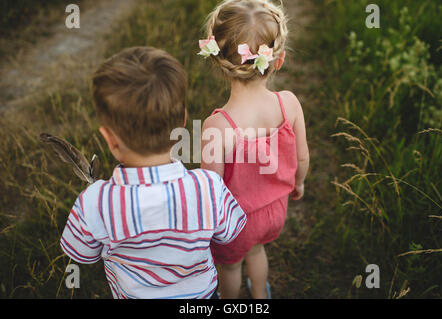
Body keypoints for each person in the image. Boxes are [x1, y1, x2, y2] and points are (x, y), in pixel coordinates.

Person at [60, 46, 247, 299]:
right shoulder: (209, 187)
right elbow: (229, 233)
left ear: (110, 139)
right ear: (182, 121)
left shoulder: (95, 202)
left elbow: (82, 252)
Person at [199, 0, 310, 299]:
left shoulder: (218, 127)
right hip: (274, 210)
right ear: (279, 60)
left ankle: (229, 300)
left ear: (218, 61)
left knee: (231, 267)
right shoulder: (289, 103)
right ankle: (261, 295)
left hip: (236, 221)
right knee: (258, 251)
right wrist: (298, 182)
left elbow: (211, 190)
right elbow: (302, 156)